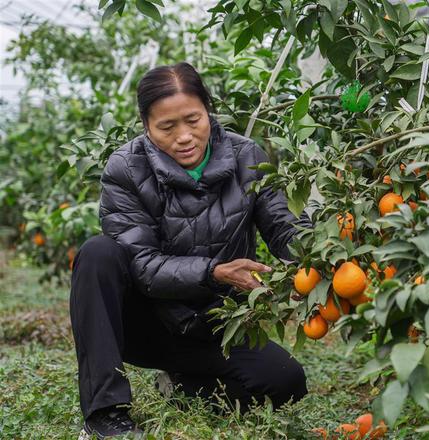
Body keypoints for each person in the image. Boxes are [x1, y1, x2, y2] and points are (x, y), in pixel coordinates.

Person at [70, 62, 312, 439]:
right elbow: (143, 266)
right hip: (145, 323)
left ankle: (182, 386)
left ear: (208, 110)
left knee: (285, 383)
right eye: (167, 127)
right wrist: (213, 271)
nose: (184, 136)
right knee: (98, 253)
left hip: (216, 324)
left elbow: (282, 225)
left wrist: (317, 250)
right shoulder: (126, 168)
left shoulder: (247, 156)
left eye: (193, 120)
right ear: (146, 126)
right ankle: (104, 414)